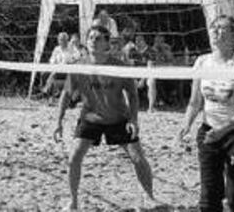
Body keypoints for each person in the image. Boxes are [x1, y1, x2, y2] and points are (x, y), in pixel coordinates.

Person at [53, 25, 157, 211]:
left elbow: (133, 95)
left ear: (107, 43)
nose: (93, 40)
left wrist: (134, 120)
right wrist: (58, 121)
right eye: (91, 37)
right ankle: (73, 201)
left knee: (138, 157)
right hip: (91, 118)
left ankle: (149, 198)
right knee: (74, 156)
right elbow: (66, 95)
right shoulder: (78, 67)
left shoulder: (119, 66)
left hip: (118, 118)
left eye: (99, 38)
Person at [178, 15, 234, 212]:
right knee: (209, 195)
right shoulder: (202, 62)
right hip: (209, 133)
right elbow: (195, 101)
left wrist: (224, 129)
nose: (216, 32)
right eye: (214, 28)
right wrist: (186, 124)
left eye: (223, 28)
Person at [42, 32, 76, 99]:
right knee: (43, 73)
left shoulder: (71, 48)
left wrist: (68, 63)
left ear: (67, 40)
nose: (62, 41)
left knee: (54, 74)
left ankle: (47, 91)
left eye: (63, 39)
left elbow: (74, 59)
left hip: (67, 70)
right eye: (60, 39)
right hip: (56, 68)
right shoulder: (56, 49)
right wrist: (53, 63)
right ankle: (52, 93)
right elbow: (52, 59)